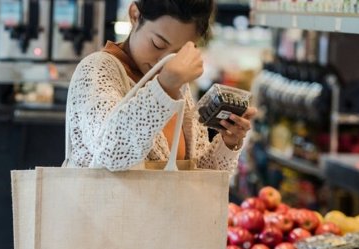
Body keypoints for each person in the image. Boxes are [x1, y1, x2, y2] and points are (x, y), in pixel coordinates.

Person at [65, 0, 256, 171]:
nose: (166, 62)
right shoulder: (96, 70)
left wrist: (228, 142)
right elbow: (110, 154)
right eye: (157, 44)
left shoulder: (178, 85)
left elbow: (193, 171)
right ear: (135, 15)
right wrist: (164, 88)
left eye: (179, 53)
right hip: (102, 210)